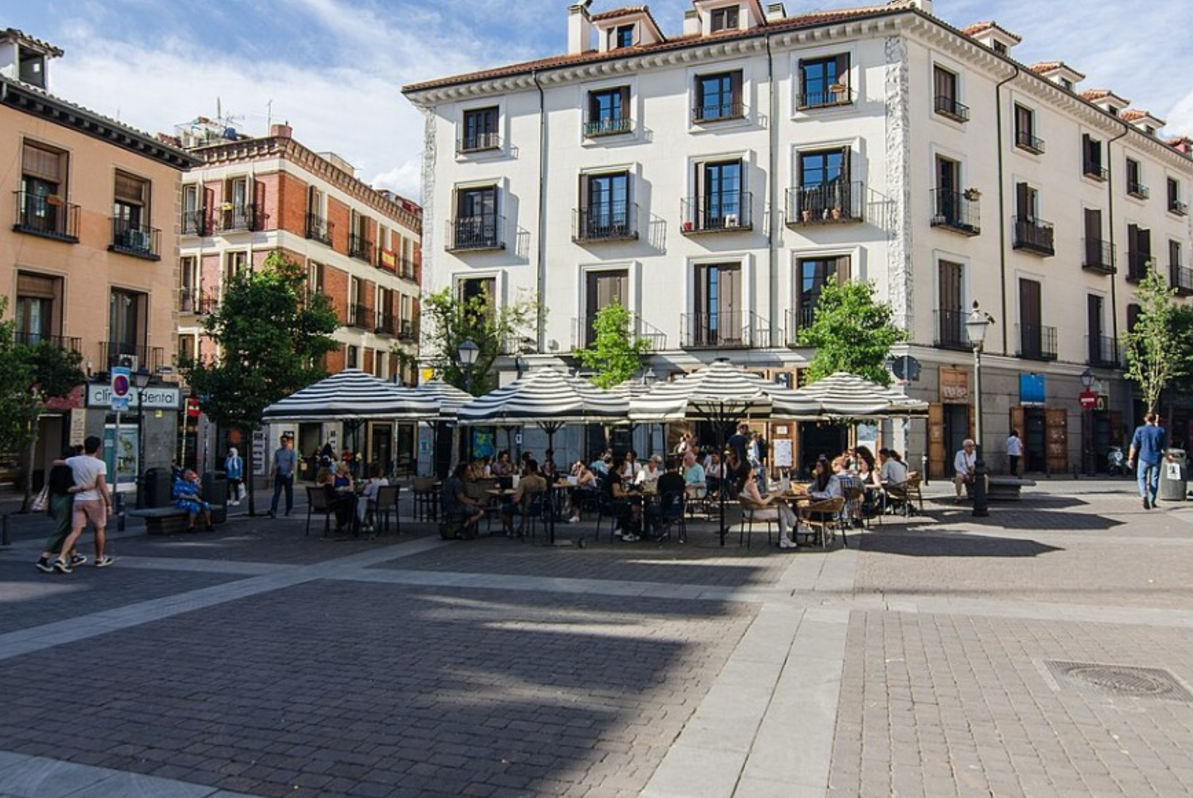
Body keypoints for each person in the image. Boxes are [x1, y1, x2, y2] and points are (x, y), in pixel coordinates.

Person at [55, 435, 113, 572]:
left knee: (75, 531)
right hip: (94, 499)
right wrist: (108, 503)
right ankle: (99, 558)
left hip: (78, 499)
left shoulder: (75, 461)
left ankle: (61, 558)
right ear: (98, 448)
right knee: (99, 528)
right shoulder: (100, 464)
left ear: (85, 447)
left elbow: (57, 462)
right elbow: (102, 485)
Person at [36, 445, 86, 573]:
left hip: (55, 499)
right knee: (62, 529)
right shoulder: (70, 469)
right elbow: (69, 488)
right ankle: (44, 558)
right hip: (66, 500)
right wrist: (83, 487)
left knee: (67, 529)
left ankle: (74, 556)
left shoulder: (56, 468)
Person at [740, 467, 800, 549]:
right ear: (749, 472)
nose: (754, 470)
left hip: (748, 511)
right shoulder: (751, 485)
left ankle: (793, 521)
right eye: (752, 469)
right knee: (781, 513)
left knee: (780, 503)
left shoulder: (743, 483)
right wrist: (773, 495)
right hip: (755, 512)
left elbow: (755, 498)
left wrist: (767, 496)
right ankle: (785, 536)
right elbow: (762, 503)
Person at [1128, 412, 1170, 510]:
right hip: (1156, 458)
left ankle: (1144, 495)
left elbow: (1134, 445)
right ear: (1155, 419)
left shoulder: (1140, 430)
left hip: (1144, 457)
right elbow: (1164, 448)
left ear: (1145, 419)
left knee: (1141, 477)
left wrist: (1131, 458)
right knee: (1154, 479)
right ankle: (1152, 501)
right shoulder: (1161, 431)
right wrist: (1168, 458)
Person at [501, 458, 547, 536]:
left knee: (502, 508)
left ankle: (511, 530)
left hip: (525, 507)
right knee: (526, 503)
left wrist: (513, 497)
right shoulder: (543, 480)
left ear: (528, 468)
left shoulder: (523, 481)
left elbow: (516, 500)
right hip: (538, 507)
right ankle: (522, 528)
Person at [441, 462, 485, 537]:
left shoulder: (449, 480)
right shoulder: (457, 482)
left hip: (447, 506)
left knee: (472, 508)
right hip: (456, 506)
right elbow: (462, 499)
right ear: (463, 471)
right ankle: (464, 527)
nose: (470, 472)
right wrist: (477, 503)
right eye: (468, 471)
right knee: (480, 512)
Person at [603, 458, 640, 541]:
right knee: (636, 508)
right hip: (613, 504)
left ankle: (622, 528)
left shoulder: (613, 475)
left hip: (609, 502)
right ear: (620, 466)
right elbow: (616, 493)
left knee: (630, 504)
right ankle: (629, 531)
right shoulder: (615, 477)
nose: (626, 469)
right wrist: (629, 493)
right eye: (625, 466)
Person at [268, 434, 297, 518]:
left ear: (287, 442)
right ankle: (273, 510)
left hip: (287, 475)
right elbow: (275, 463)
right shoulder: (278, 452)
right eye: (282, 441)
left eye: (284, 441)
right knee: (276, 493)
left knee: (288, 493)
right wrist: (272, 474)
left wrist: (290, 472)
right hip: (279, 475)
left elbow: (292, 463)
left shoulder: (291, 452)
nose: (283, 443)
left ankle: (289, 509)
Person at [358, 464, 388, 532]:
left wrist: (364, 485)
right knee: (366, 504)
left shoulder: (372, 481)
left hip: (374, 503)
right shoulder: (385, 481)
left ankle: (365, 523)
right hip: (384, 503)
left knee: (362, 504)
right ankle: (368, 524)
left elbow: (366, 493)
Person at [330, 461, 357, 533]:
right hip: (338, 497)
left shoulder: (346, 476)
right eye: (345, 466)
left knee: (352, 500)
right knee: (349, 502)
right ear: (340, 468)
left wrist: (350, 480)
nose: (347, 468)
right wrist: (340, 488)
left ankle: (351, 520)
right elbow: (332, 488)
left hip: (346, 495)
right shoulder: (334, 477)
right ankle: (345, 521)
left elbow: (352, 488)